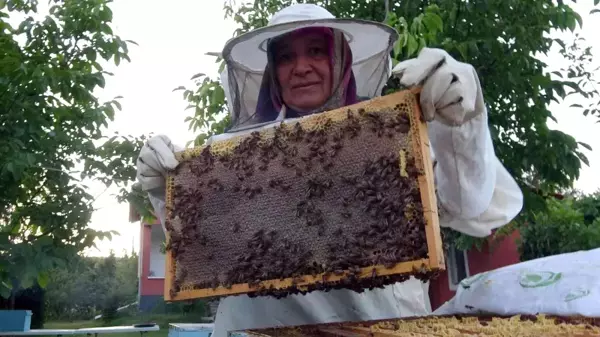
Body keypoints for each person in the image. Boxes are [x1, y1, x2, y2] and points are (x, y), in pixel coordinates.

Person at [136, 4, 524, 337]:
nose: (300, 67)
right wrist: (164, 191)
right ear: (272, 71)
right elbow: (205, 250)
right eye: (286, 57)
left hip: (378, 325)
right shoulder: (230, 157)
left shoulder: (394, 136)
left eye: (316, 51)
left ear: (341, 60)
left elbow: (469, 205)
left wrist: (461, 124)